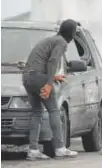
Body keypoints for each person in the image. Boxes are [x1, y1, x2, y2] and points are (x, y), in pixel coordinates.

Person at [22, 19, 79, 160]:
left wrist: (53, 77)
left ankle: (33, 150)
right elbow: (52, 61)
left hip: (28, 77)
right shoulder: (61, 42)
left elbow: (39, 64)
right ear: (71, 34)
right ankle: (60, 148)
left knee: (36, 113)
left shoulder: (50, 40)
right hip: (39, 78)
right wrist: (48, 83)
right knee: (54, 110)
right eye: (74, 32)